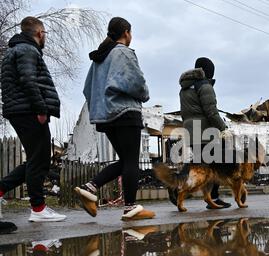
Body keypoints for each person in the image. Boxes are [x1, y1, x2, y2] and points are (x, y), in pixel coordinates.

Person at [75, 17, 155, 221]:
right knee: (131, 161)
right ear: (126, 32)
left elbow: (87, 89)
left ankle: (89, 188)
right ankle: (130, 207)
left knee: (126, 160)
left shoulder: (99, 59)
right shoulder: (123, 52)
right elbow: (137, 83)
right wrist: (145, 93)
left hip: (106, 116)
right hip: (125, 111)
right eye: (131, 33)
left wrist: (100, 107)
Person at [0, 17, 66, 223]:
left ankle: (2, 190)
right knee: (40, 160)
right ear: (39, 33)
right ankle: (38, 209)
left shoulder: (15, 50)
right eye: (44, 33)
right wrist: (40, 108)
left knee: (37, 160)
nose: (44, 37)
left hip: (20, 110)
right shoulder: (27, 50)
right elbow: (28, 80)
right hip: (29, 111)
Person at [170, 57, 233, 210]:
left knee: (199, 164)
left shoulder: (184, 88)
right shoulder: (204, 86)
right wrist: (223, 128)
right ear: (208, 72)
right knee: (216, 165)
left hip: (192, 131)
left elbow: (187, 113)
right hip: (206, 131)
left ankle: (177, 185)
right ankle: (213, 197)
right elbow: (211, 111)